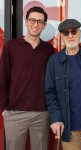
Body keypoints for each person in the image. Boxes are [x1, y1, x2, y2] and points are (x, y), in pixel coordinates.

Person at [45, 19, 81, 150]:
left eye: (74, 31)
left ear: (79, 33)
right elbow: (50, 93)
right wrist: (56, 118)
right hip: (69, 127)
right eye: (66, 33)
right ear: (61, 36)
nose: (70, 36)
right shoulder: (54, 61)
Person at [0, 6, 54, 150]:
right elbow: (2, 78)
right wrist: (4, 109)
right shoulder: (11, 46)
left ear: (44, 25)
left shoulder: (48, 50)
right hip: (15, 113)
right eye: (32, 20)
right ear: (26, 21)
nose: (35, 24)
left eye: (40, 22)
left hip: (42, 113)